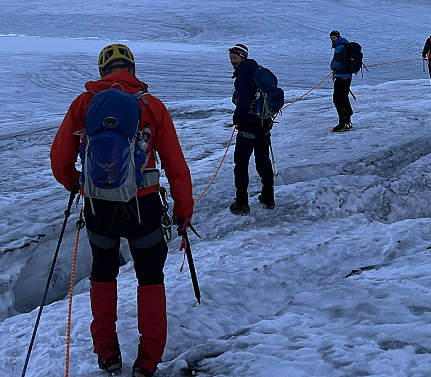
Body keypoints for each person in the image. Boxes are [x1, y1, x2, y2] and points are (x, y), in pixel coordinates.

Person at [51, 43, 194, 377]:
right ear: (131, 69)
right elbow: (175, 165)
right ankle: (148, 358)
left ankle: (107, 353)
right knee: (149, 277)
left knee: (103, 273)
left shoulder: (84, 104)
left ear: (102, 71)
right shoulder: (151, 106)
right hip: (143, 205)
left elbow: (59, 160)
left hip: (100, 204)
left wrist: (77, 184)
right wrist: (183, 210)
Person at [227, 43, 275, 215]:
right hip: (264, 123)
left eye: (235, 58)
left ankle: (241, 203)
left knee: (241, 163)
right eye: (231, 58)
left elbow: (243, 103)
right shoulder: (258, 71)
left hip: (248, 124)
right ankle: (268, 197)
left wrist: (237, 119)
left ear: (243, 57)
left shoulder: (243, 77)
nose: (232, 61)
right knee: (263, 160)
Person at [329, 30, 354, 132]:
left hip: (341, 77)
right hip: (347, 76)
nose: (332, 40)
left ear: (338, 37)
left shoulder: (340, 47)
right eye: (331, 38)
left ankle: (342, 123)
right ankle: (348, 120)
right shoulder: (347, 45)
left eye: (334, 38)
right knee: (344, 97)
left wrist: (332, 67)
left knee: (337, 99)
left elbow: (335, 63)